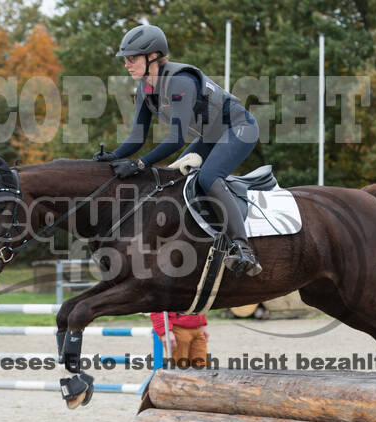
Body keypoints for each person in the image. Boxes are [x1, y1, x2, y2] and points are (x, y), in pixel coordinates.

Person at [93, 24, 262, 277]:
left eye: (132, 58)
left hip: (240, 128)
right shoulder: (145, 89)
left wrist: (140, 164)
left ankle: (243, 247)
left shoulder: (180, 81)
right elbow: (137, 137)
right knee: (176, 179)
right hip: (213, 134)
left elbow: (176, 139)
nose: (127, 65)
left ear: (153, 57)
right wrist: (115, 156)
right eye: (125, 60)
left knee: (207, 177)